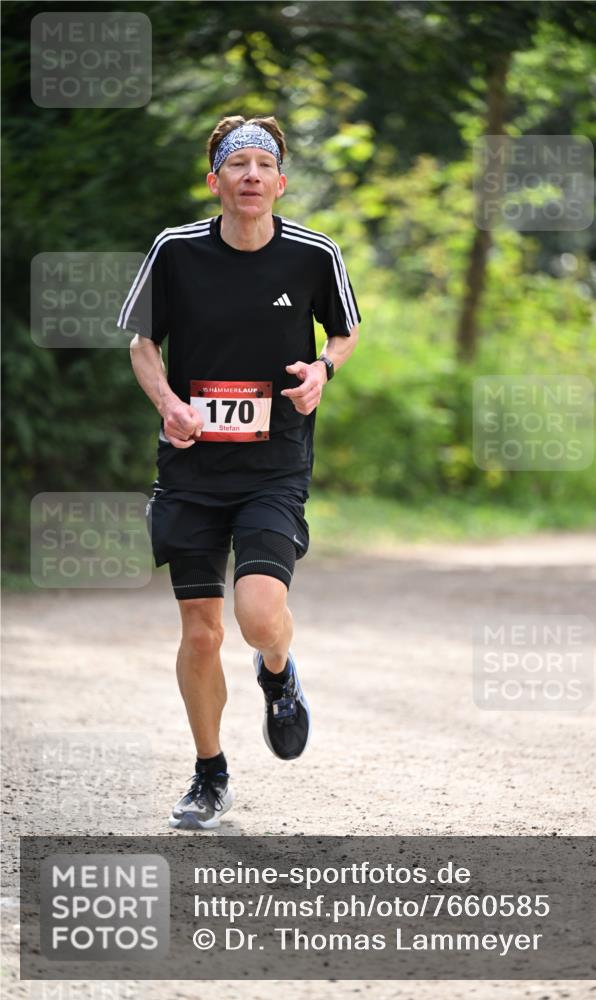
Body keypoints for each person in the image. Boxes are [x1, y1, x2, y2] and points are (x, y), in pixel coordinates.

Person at [118, 115, 360, 830]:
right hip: (191, 467)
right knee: (200, 633)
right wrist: (168, 405)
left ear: (279, 183)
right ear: (214, 181)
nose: (250, 174)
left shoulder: (314, 254)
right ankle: (208, 774)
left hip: (273, 465)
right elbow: (141, 343)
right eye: (236, 163)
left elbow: (343, 333)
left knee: (256, 620)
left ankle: (279, 673)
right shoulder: (176, 251)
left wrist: (321, 370)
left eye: (262, 164)